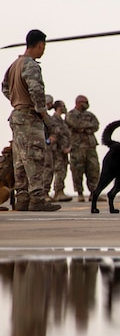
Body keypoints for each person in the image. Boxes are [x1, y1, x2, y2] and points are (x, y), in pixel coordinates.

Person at [2, 30, 61, 212]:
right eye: (43, 47)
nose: (43, 51)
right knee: (35, 158)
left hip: (17, 115)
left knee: (20, 159)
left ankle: (22, 199)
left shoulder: (14, 65)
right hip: (29, 117)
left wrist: (17, 100)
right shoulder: (31, 65)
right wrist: (42, 112)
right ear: (40, 45)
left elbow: (4, 88)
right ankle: (37, 199)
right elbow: (36, 89)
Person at [67, 94, 101, 202]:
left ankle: (94, 193)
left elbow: (96, 125)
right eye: (84, 102)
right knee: (77, 171)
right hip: (77, 147)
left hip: (90, 147)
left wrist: (84, 128)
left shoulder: (90, 115)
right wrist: (86, 127)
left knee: (93, 170)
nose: (86, 104)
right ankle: (80, 194)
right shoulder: (71, 114)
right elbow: (75, 124)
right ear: (78, 103)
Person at [47, 99, 73, 201]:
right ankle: (51, 192)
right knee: (55, 170)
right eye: (62, 106)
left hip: (64, 151)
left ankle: (59, 191)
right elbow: (57, 135)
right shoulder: (53, 120)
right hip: (56, 150)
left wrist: (69, 146)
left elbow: (67, 135)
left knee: (62, 171)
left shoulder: (63, 121)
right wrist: (63, 147)